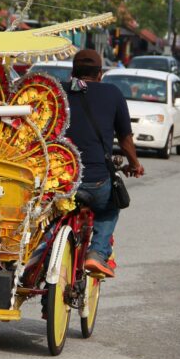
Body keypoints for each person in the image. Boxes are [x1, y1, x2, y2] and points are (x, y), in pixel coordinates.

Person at [64, 49, 144, 278]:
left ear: (73, 72)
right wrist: (134, 164)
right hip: (95, 182)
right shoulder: (112, 93)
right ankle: (97, 253)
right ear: (100, 74)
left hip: (59, 182)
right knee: (110, 207)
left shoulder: (58, 90)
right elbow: (125, 139)